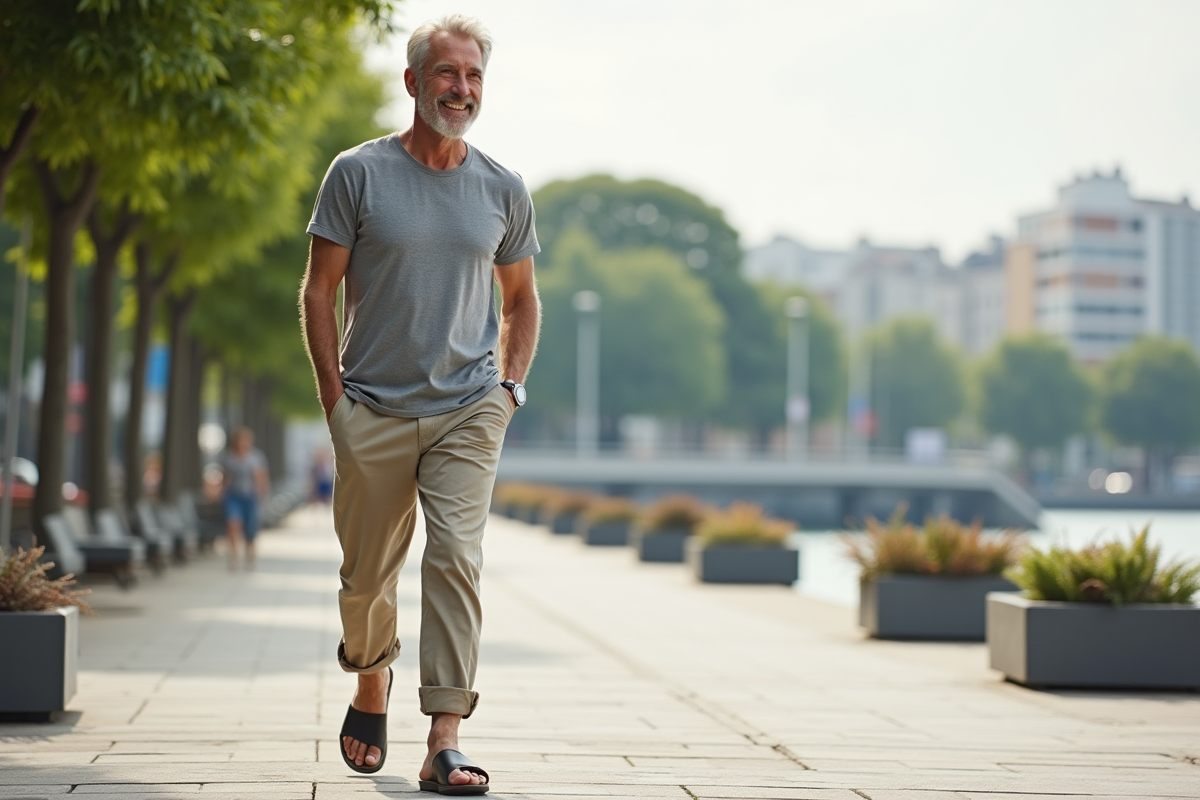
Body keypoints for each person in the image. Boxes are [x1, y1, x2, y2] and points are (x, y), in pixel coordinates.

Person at [299, 13, 540, 794]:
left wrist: (508, 388)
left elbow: (524, 301)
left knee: (457, 557)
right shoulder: (358, 173)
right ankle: (372, 679)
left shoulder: (503, 188)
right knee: (366, 577)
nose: (461, 89)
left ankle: (445, 737)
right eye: (446, 74)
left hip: (471, 407)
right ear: (413, 82)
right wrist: (335, 400)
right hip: (372, 404)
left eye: (472, 77)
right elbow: (319, 289)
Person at [221, 427, 270, 571]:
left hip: (250, 497)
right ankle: (234, 557)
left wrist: (262, 496)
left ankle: (250, 557)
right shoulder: (229, 457)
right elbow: (225, 477)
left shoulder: (256, 457)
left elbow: (262, 478)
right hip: (233, 496)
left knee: (250, 530)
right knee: (232, 524)